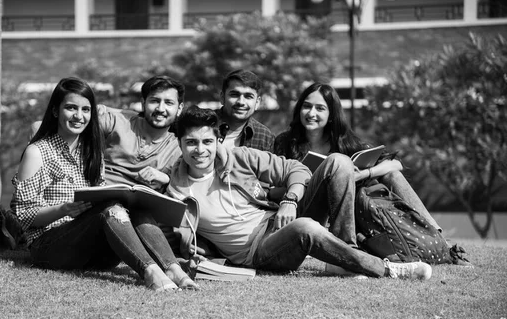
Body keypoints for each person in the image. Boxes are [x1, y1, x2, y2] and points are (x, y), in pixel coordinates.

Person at [166, 105, 432, 280]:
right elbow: (171, 234)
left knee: (338, 161)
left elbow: (296, 170)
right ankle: (387, 269)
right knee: (305, 227)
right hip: (259, 251)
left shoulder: (239, 158)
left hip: (278, 220)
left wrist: (290, 200)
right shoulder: (175, 189)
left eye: (207, 142)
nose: (200, 150)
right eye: (191, 142)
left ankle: (346, 256)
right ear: (179, 144)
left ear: (217, 141)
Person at [0, 77, 198, 291]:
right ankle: (150, 272)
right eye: (71, 108)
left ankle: (173, 269)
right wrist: (64, 209)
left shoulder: (92, 152)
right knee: (110, 209)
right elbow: (24, 217)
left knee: (137, 207)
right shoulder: (37, 152)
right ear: (55, 111)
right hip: (50, 247)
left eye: (86, 110)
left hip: (98, 255)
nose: (79, 116)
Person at [273, 82, 442, 233]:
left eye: (320, 108)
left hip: (341, 212)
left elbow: (395, 164)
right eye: (307, 106)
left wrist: (362, 174)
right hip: (302, 211)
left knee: (392, 175)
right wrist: (304, 185)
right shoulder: (286, 142)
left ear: (331, 115)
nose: (311, 113)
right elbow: (271, 191)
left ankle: (437, 234)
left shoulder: (344, 143)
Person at [217, 69, 275, 152]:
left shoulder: (265, 138)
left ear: (257, 102)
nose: (241, 102)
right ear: (222, 98)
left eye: (248, 96)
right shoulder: (203, 125)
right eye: (234, 95)